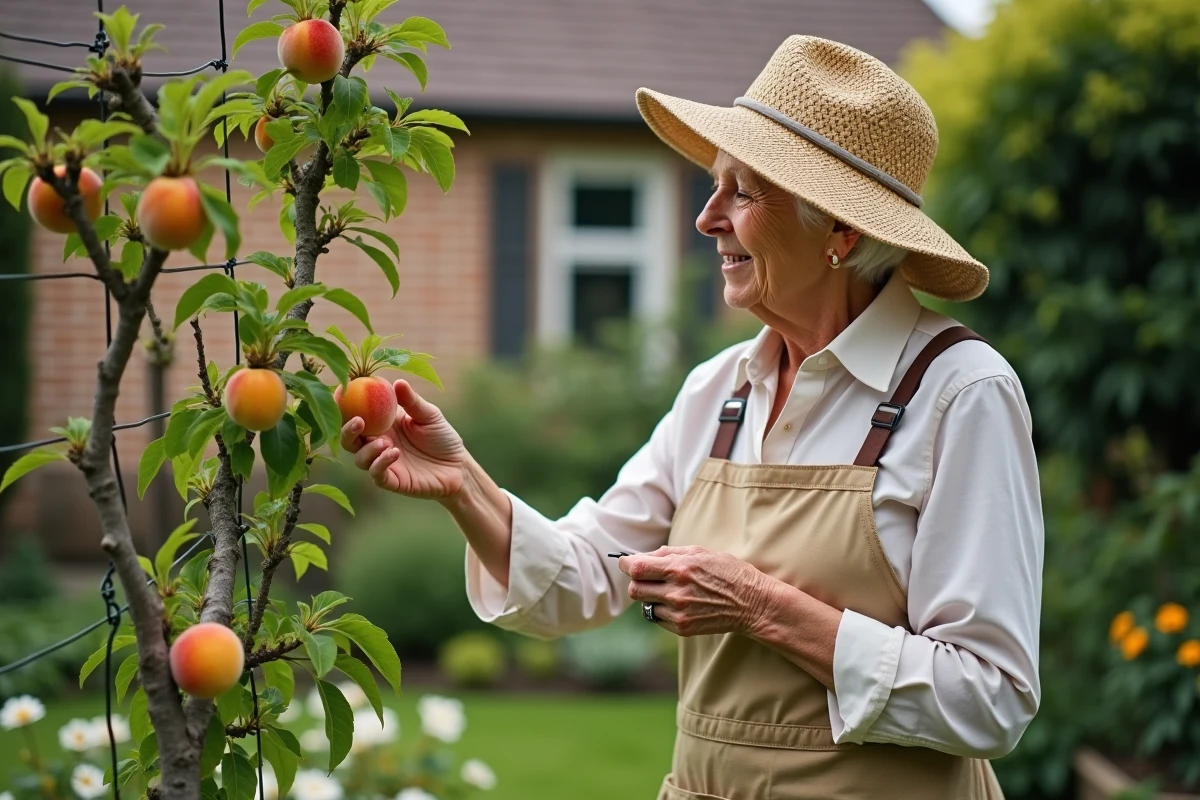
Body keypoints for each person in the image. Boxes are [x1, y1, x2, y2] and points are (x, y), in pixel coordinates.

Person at [341, 35, 1042, 800]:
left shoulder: (960, 393)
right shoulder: (720, 389)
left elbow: (990, 696)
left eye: (742, 192)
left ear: (840, 231)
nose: (707, 218)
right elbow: (588, 579)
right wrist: (463, 485)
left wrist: (758, 604)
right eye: (715, 186)